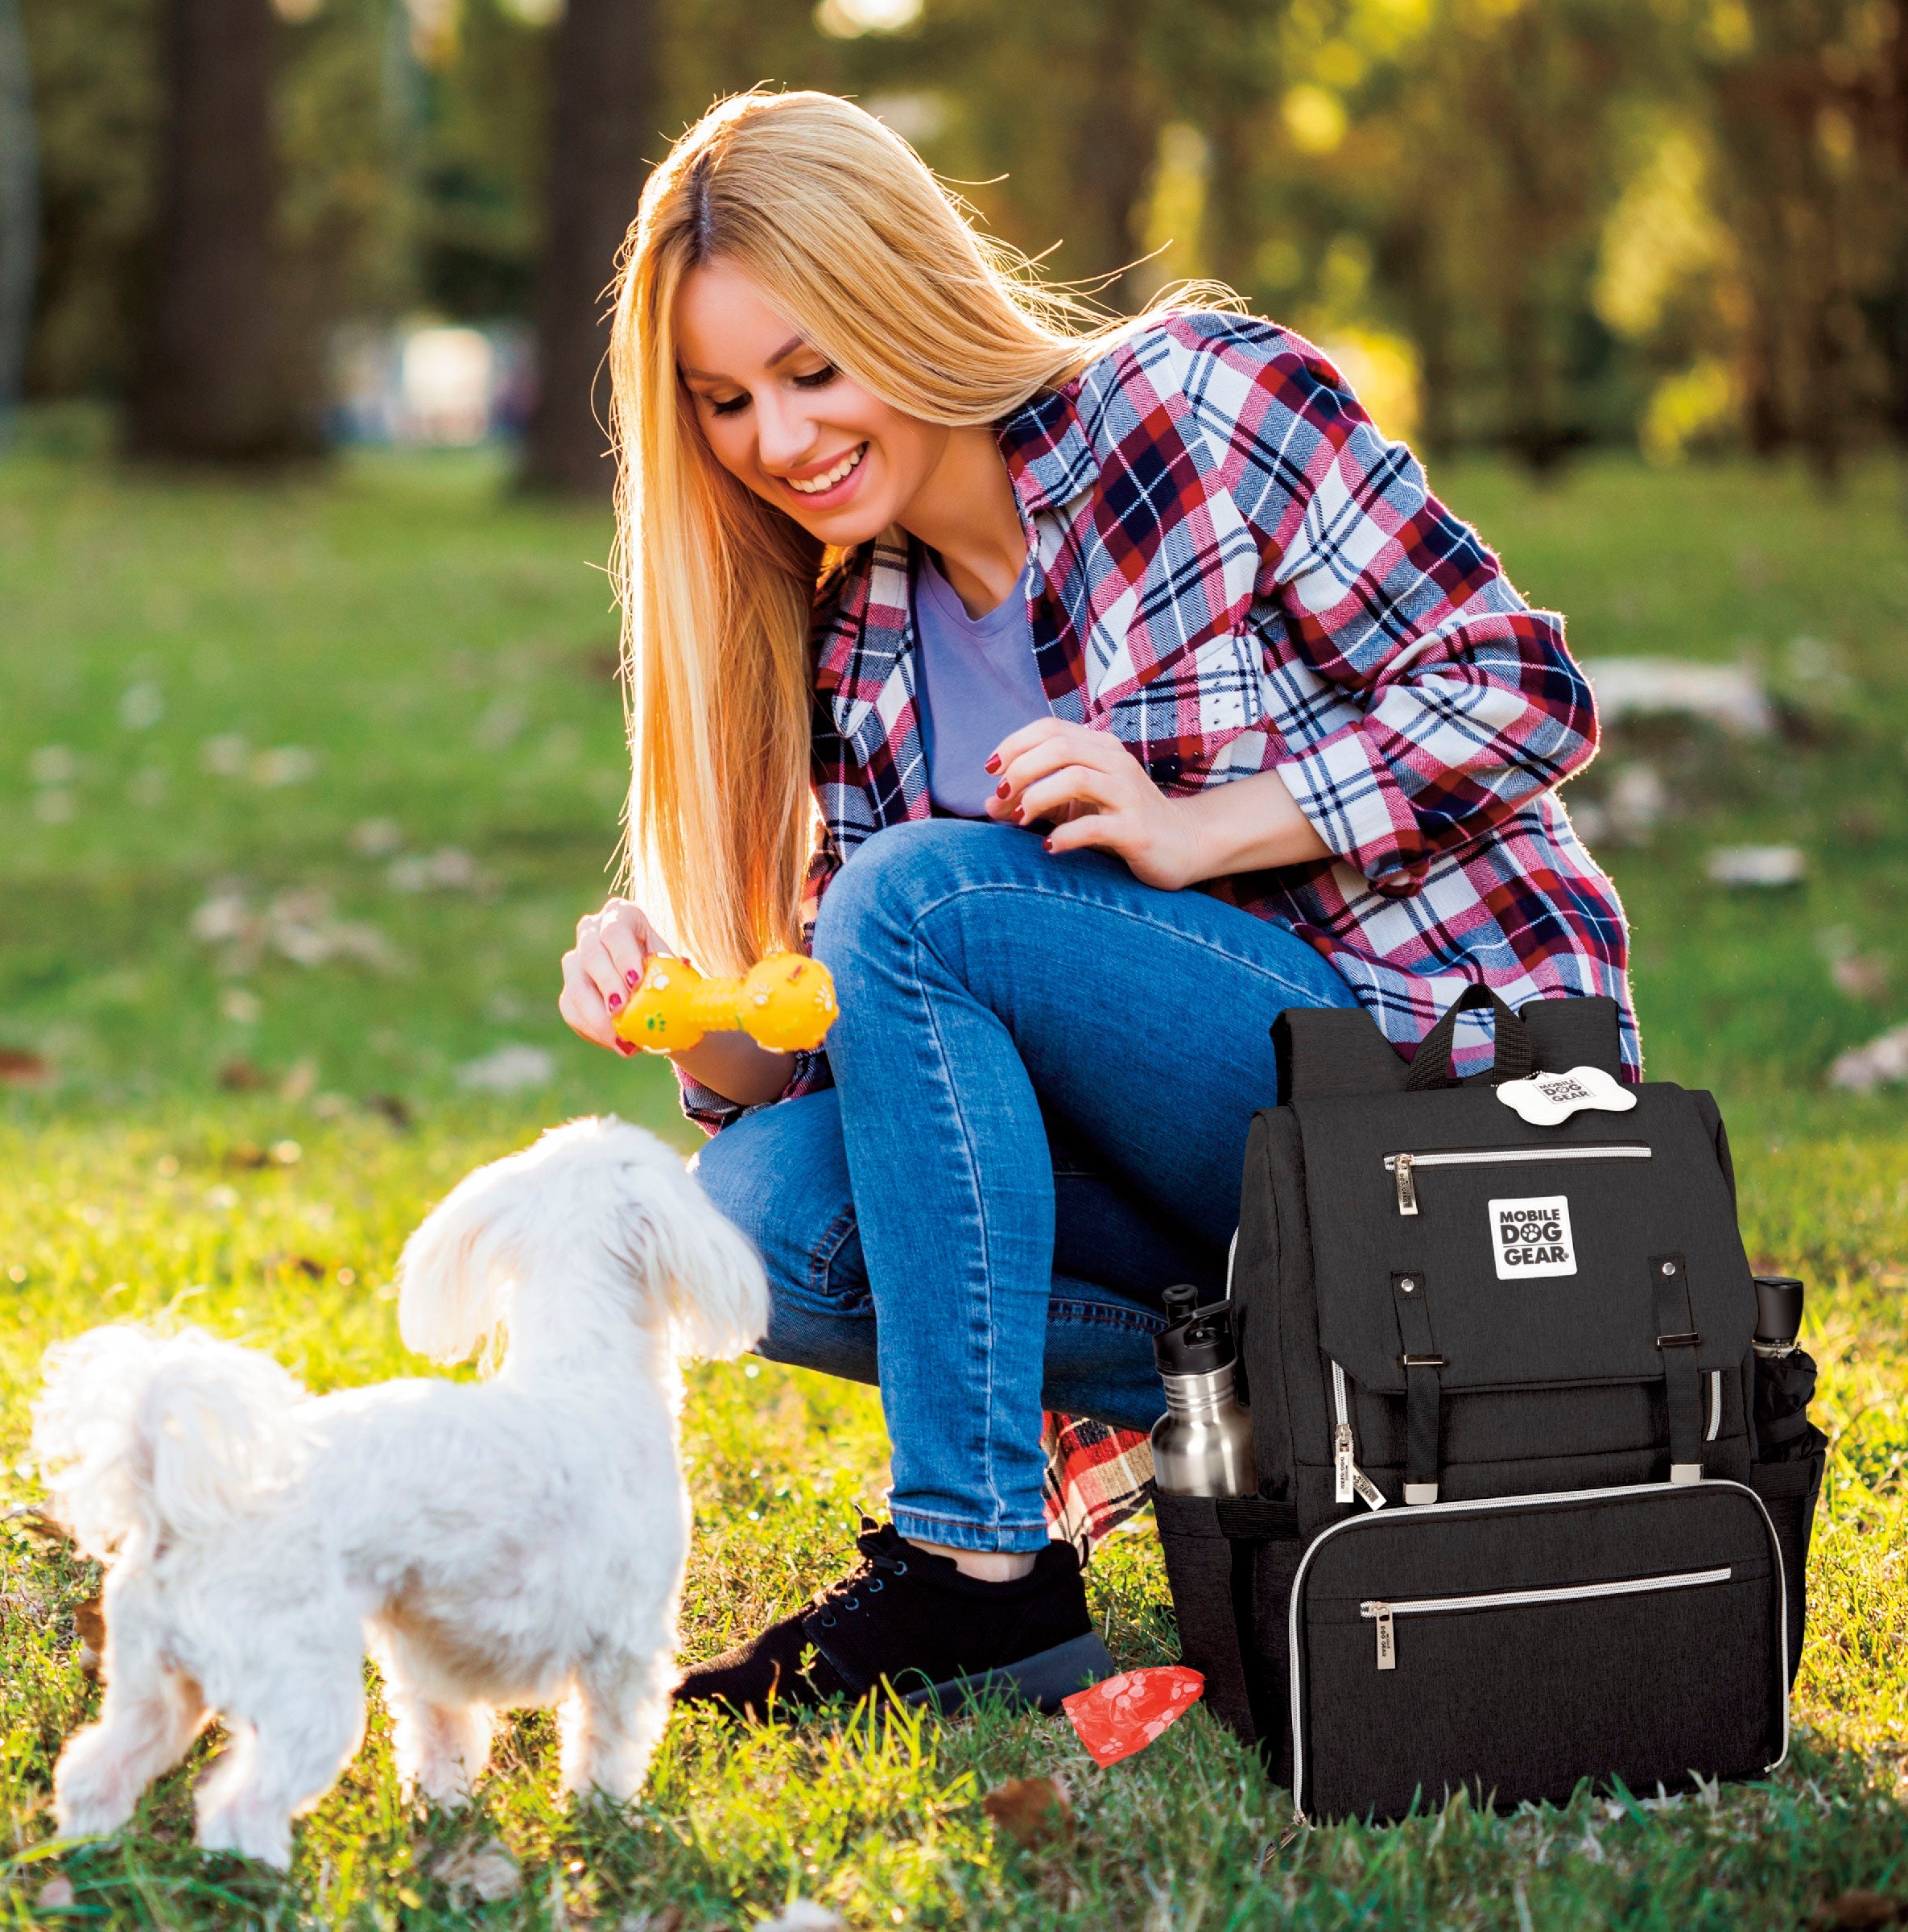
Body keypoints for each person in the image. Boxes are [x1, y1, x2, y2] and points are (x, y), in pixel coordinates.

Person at [557, 88, 1636, 1715]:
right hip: (1221, 1205)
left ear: (904, 299)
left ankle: (976, 1581)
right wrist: (692, 1021)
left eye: (810, 369)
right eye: (721, 401)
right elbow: (902, 1087)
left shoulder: (1194, 406)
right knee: (755, 1211)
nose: (776, 442)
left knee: (923, 899)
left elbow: (1518, 686)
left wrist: (1209, 829)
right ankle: (1295, 1421)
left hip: (1429, 1100)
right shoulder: (862, 644)